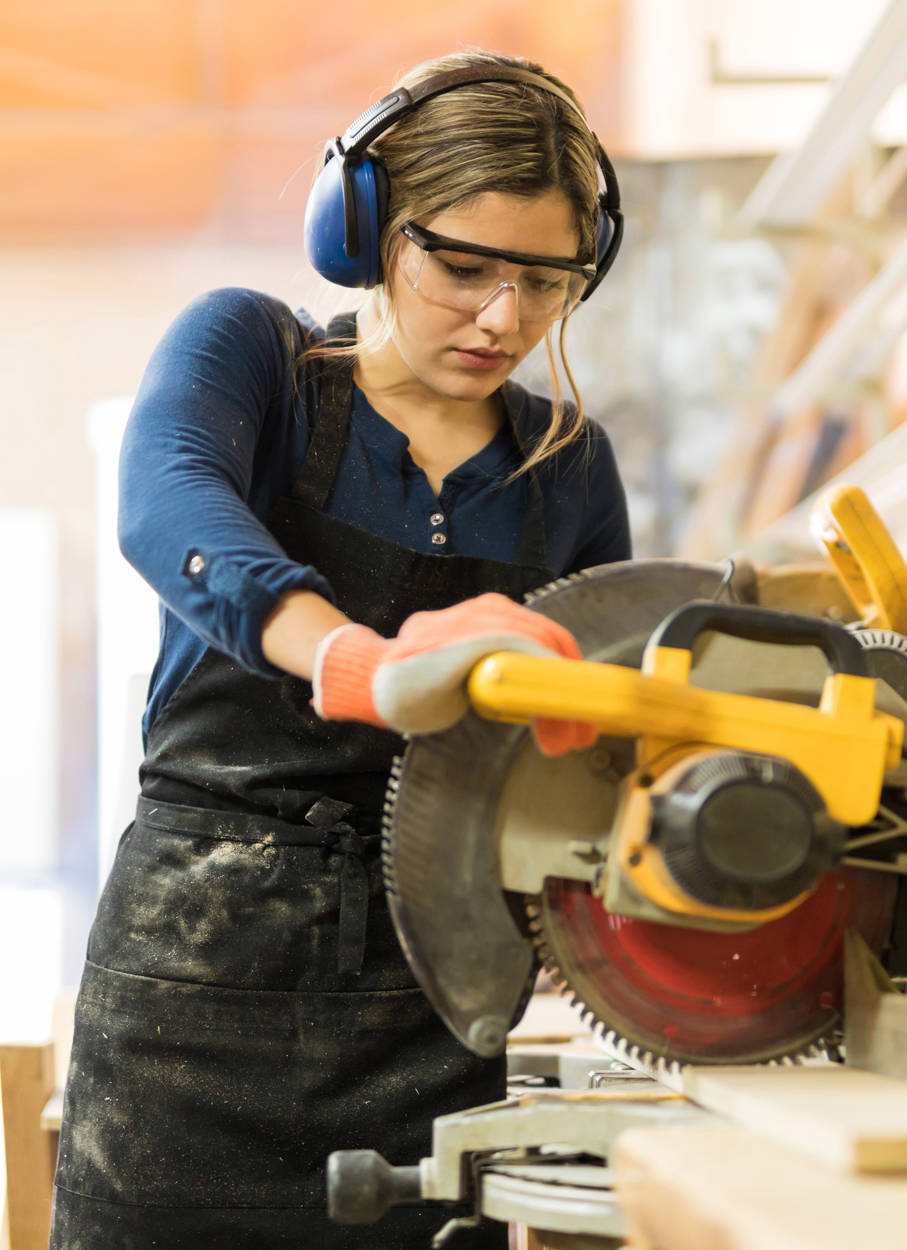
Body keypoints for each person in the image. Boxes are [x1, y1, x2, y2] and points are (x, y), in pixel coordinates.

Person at [50, 49, 631, 1250]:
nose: (503, 319)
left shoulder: (566, 462)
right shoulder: (256, 359)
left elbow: (586, 743)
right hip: (191, 995)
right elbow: (168, 506)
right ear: (367, 233)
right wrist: (355, 661)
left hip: (431, 1005)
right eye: (463, 268)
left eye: (546, 281)